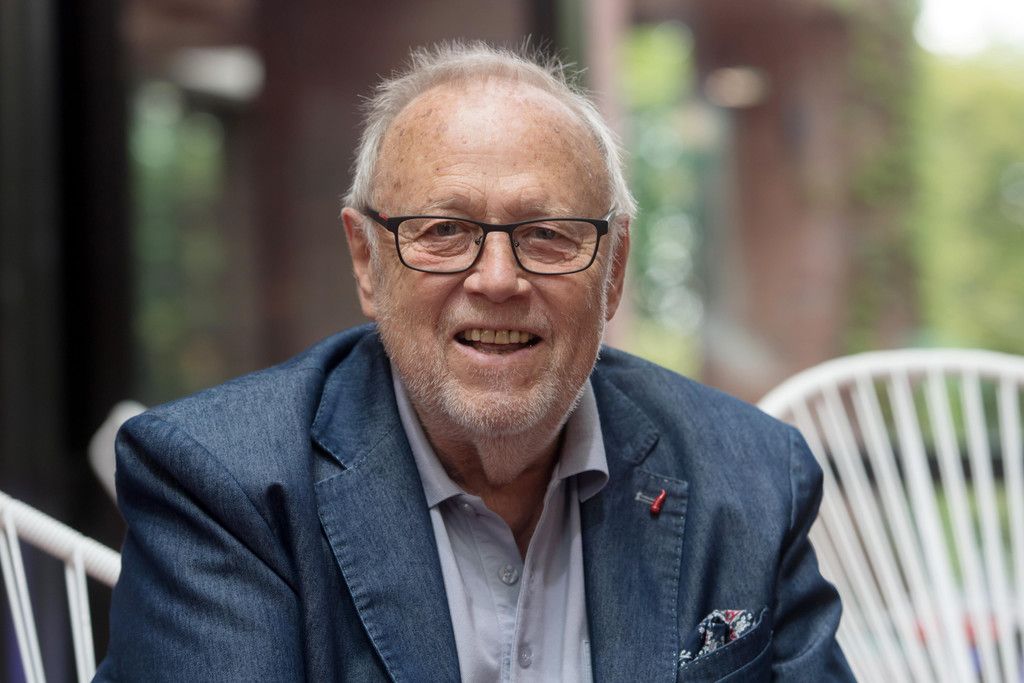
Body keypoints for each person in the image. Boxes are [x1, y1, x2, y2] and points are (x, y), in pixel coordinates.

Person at [97, 42, 853, 682]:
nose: (497, 280)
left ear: (615, 269)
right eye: (444, 230)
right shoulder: (222, 484)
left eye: (548, 234)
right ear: (366, 261)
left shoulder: (751, 475)